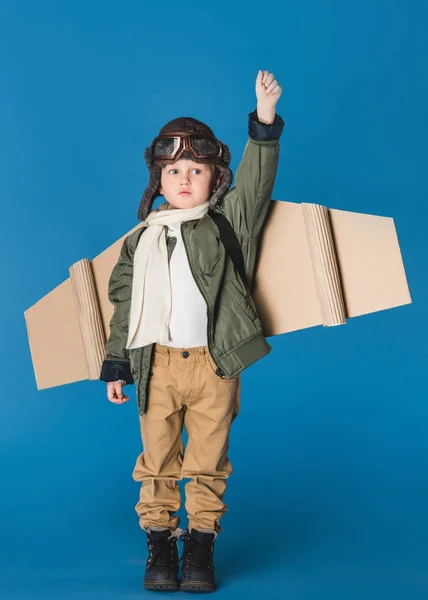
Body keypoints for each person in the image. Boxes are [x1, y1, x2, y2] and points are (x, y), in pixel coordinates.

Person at [99, 70, 284, 592]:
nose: (184, 178)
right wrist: (116, 361)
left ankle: (200, 547)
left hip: (213, 364)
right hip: (155, 362)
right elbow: (124, 303)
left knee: (207, 462)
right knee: (156, 460)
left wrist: (264, 118)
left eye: (197, 170)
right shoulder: (141, 241)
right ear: (158, 180)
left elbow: (256, 183)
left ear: (213, 180)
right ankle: (160, 544)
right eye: (173, 169)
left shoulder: (229, 225)